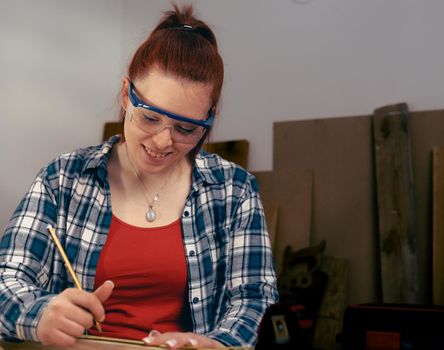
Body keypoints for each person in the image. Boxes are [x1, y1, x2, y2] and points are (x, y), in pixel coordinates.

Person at [0, 3, 278, 349]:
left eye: (187, 128)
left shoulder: (234, 192)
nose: (163, 141)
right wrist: (39, 315)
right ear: (125, 95)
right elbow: (6, 281)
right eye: (149, 118)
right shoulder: (63, 179)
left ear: (210, 117)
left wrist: (218, 344)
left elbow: (256, 300)